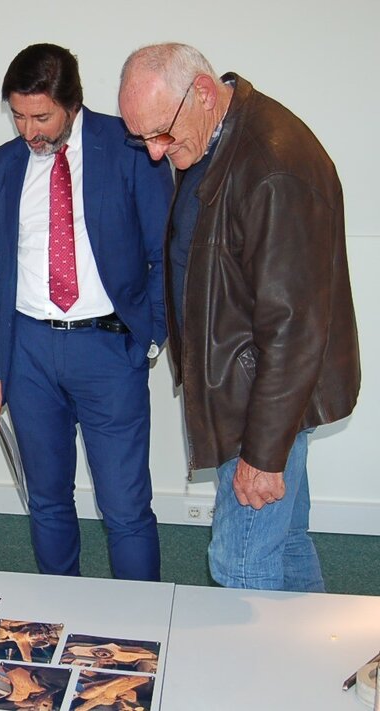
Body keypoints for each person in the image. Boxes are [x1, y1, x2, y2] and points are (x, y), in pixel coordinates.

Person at [118, 43, 360, 591]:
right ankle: (310, 668)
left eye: (161, 133)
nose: (155, 153)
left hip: (259, 401)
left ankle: (258, 677)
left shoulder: (271, 167)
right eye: (144, 138)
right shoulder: (212, 136)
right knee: (287, 539)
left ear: (202, 93)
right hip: (250, 387)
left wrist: (263, 453)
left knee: (241, 562)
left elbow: (294, 328)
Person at [0, 44, 173, 581]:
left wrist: (148, 339)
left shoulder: (128, 148)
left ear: (72, 104)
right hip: (29, 352)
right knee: (48, 500)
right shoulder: (0, 167)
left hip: (109, 350)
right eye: (18, 115)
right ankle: (58, 615)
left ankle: (141, 624)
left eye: (41, 117)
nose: (29, 130)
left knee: (125, 508)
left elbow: (166, 251)